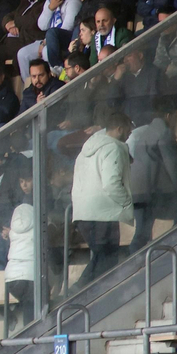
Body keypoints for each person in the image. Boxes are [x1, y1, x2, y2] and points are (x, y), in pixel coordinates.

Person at [71, 109, 134, 286]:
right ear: (120, 129)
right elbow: (111, 183)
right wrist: (127, 202)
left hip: (83, 212)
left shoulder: (87, 149)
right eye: (128, 131)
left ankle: (80, 292)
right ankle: (81, 292)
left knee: (101, 256)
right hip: (103, 213)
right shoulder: (113, 148)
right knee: (108, 259)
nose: (129, 135)